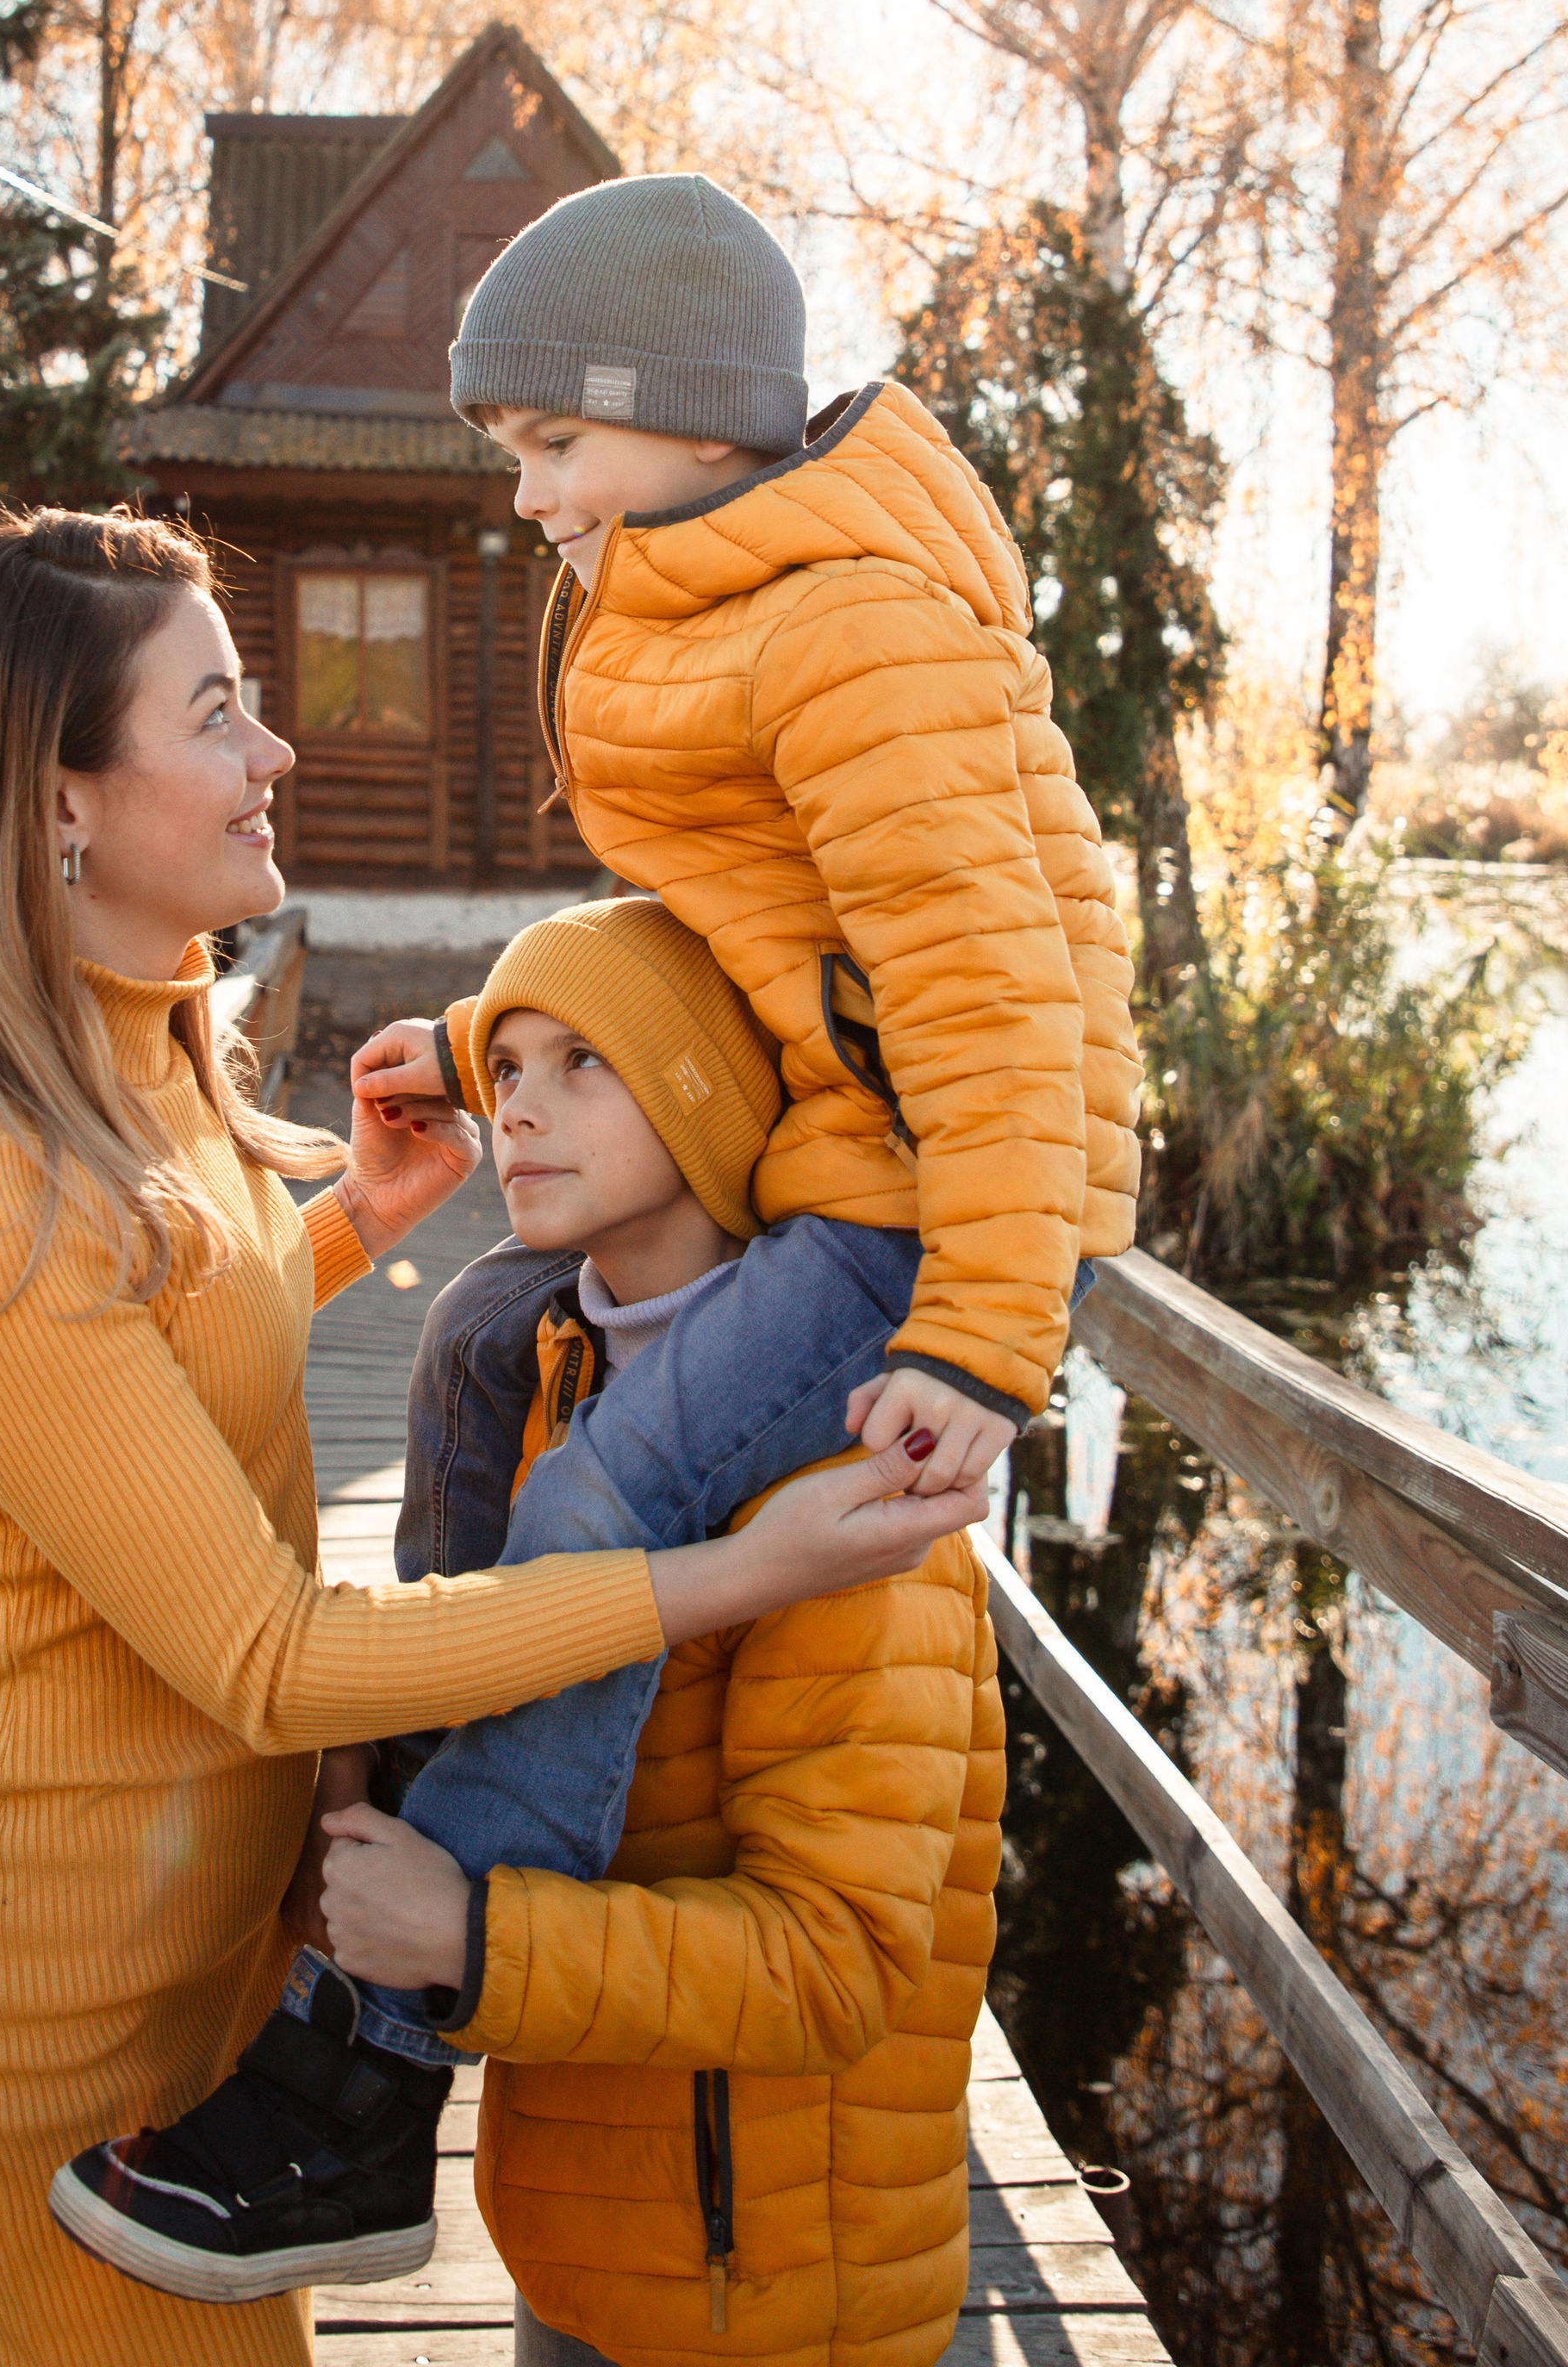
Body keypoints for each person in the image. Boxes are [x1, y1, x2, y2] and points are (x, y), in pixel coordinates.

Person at [64, 177, 1136, 2295]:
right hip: (843, 1146)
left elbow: (994, 1016)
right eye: (512, 457)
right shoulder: (713, 589)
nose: (527, 496)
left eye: (554, 446)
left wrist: (981, 1341)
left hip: (914, 1199)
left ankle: (367, 2076)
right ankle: (474, 1753)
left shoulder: (843, 627)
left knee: (602, 1509)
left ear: (687, 417)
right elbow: (743, 946)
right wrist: (490, 1047)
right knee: (476, 1336)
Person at [0, 508, 973, 2367]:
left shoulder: (143, 1051)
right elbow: (264, 1654)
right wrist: (729, 1571)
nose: (279, 751)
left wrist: (355, 1226)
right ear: (53, 798)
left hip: (224, 1934)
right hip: (48, 2001)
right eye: (218, 715)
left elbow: (147, 1349)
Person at [316, 907, 1007, 2367]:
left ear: (704, 1100)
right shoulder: (540, 1376)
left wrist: (471, 1938)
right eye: (504, 1064)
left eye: (583, 1064)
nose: (516, 1105)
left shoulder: (852, 1472)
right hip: (575, 2234)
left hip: (766, 2282)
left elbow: (842, 1961)